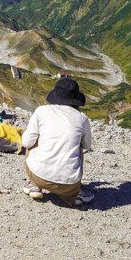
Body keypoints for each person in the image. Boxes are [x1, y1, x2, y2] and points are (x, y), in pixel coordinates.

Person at [21, 77, 94, 206]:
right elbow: (87, 146)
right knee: (78, 148)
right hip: (69, 184)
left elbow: (26, 143)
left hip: (38, 175)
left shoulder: (41, 111)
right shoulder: (82, 118)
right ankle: (75, 194)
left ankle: (34, 184)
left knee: (32, 140)